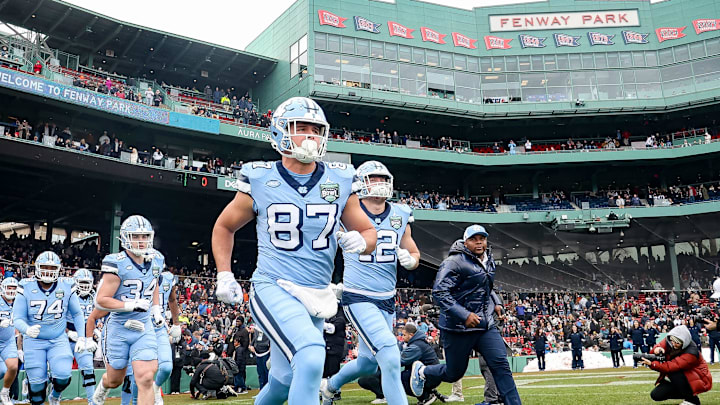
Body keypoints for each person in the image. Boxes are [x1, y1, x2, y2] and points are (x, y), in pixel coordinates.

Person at [212, 96, 377, 404]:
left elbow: (368, 231)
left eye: (316, 129)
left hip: (317, 295)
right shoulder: (260, 177)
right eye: (301, 127)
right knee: (312, 356)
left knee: (284, 382)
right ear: (279, 132)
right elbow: (224, 226)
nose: (310, 136)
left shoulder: (340, 179)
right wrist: (225, 274)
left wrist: (361, 242)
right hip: (274, 286)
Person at [321, 160, 420, 405]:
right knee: (389, 353)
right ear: (361, 183)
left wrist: (410, 260)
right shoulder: (346, 211)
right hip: (358, 295)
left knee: (367, 363)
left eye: (384, 179)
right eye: (374, 178)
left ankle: (329, 386)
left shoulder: (401, 213)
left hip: (387, 298)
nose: (380, 184)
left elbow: (414, 253)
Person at [411, 225, 521, 405]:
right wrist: (464, 315)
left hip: (485, 324)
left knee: (501, 365)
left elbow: (486, 287)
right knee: (454, 373)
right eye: (474, 239)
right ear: (465, 241)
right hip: (458, 327)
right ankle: (423, 372)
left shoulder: (488, 259)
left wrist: (497, 303)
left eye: (482, 238)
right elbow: (439, 292)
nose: (479, 242)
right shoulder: (453, 262)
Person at [87, 215, 164, 405]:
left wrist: (156, 309)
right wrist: (129, 305)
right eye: (136, 236)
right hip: (119, 327)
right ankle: (104, 384)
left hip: (143, 326)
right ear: (125, 238)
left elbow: (153, 284)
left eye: (145, 236)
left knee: (146, 377)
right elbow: (101, 301)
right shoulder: (116, 262)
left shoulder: (157, 260)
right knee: (115, 379)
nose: (141, 241)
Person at [13, 251, 88, 405]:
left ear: (58, 269)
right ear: (37, 268)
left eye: (52, 267)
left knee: (63, 376)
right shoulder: (25, 286)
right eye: (44, 267)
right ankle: (39, 389)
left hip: (58, 338)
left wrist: (82, 337)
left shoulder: (66, 285)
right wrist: (26, 329)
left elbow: (77, 313)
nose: (48, 271)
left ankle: (55, 394)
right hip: (34, 341)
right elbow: (17, 317)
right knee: (37, 391)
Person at [640, 325, 712, 405]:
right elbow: (660, 346)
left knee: (673, 372)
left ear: (684, 342)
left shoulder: (691, 353)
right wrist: (657, 349)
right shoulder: (670, 340)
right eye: (672, 341)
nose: (673, 344)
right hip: (686, 377)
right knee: (656, 395)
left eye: (677, 342)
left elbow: (669, 367)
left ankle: (692, 400)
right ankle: (686, 393)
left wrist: (652, 364)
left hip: (699, 379)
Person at [67, 269, 97, 404]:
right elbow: (57, 319)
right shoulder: (67, 295)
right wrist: (67, 332)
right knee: (60, 374)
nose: (85, 286)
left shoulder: (94, 297)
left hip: (84, 337)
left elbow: (97, 316)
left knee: (88, 371)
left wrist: (95, 329)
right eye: (82, 282)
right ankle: (55, 398)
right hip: (65, 338)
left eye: (87, 283)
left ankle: (92, 402)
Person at [0, 278, 19, 405]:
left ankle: (5, 392)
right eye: (9, 288)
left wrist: (20, 347)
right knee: (1, 371)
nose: (11, 291)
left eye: (13, 288)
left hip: (8, 341)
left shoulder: (19, 303)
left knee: (13, 366)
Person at [249, 326, 270, 390]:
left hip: (266, 352)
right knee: (260, 373)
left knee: (266, 372)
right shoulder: (256, 329)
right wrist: (251, 346)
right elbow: (254, 339)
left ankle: (267, 389)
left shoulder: (268, 328)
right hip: (258, 353)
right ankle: (262, 389)